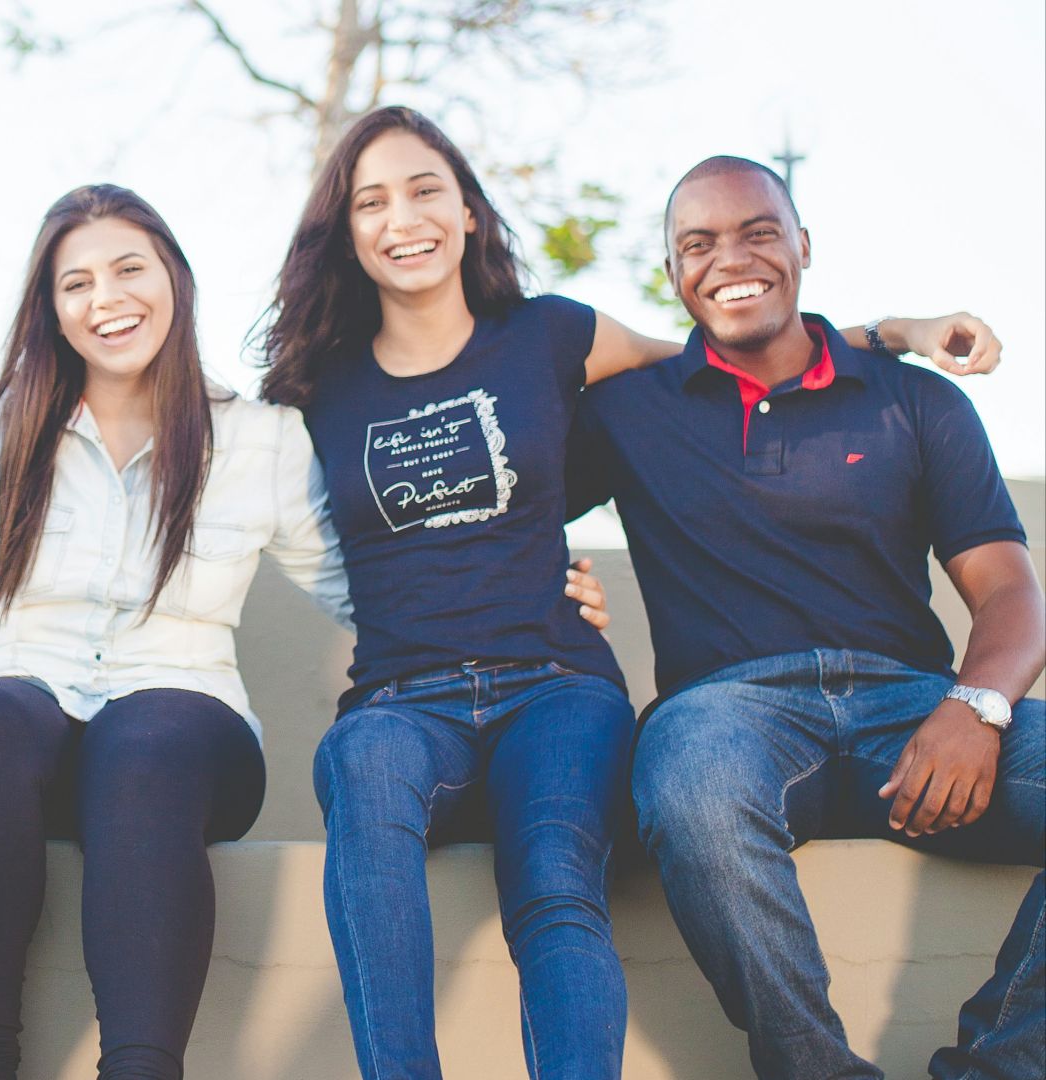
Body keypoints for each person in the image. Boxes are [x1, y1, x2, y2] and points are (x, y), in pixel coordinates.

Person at [256, 105, 996, 1080]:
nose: (405, 217)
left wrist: (888, 332)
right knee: (365, 784)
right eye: (374, 199)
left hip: (561, 684)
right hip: (418, 697)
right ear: (346, 229)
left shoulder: (554, 335)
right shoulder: (319, 386)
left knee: (557, 880)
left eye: (427, 188)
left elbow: (729, 350)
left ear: (470, 211)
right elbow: (289, 529)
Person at [0, 184, 609, 1080]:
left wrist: (531, 592)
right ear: (51, 310)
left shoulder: (259, 441)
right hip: (24, 726)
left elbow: (371, 584)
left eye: (130, 269)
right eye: (77, 284)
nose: (108, 300)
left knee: (145, 738)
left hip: (187, 734)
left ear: (174, 279)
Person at [569, 155, 1042, 1080]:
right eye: (696, 244)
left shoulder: (917, 400)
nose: (728, 258)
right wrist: (550, 579)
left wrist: (976, 708)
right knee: (691, 782)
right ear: (673, 276)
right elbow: (494, 510)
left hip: (913, 712)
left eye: (756, 231)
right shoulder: (625, 411)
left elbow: (1011, 593)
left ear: (803, 246)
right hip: (729, 717)